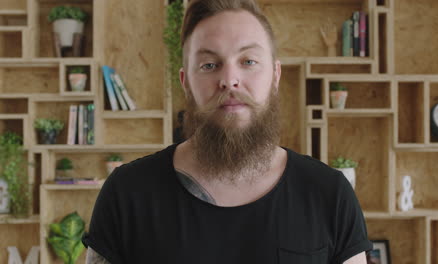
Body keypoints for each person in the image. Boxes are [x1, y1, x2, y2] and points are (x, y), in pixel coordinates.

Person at [82, 0, 373, 263]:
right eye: (209, 64)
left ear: (275, 75)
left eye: (248, 61)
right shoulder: (127, 193)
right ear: (186, 82)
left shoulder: (329, 195)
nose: (229, 79)